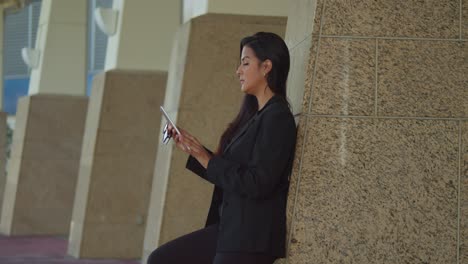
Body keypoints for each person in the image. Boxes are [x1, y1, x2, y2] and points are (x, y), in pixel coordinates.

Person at [147, 32, 297, 264]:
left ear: (266, 66)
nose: (238, 70)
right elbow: (230, 171)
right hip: (230, 230)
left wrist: (204, 157)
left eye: (245, 63)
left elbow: (257, 182)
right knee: (161, 259)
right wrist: (193, 148)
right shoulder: (255, 117)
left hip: (250, 237)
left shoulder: (278, 117)